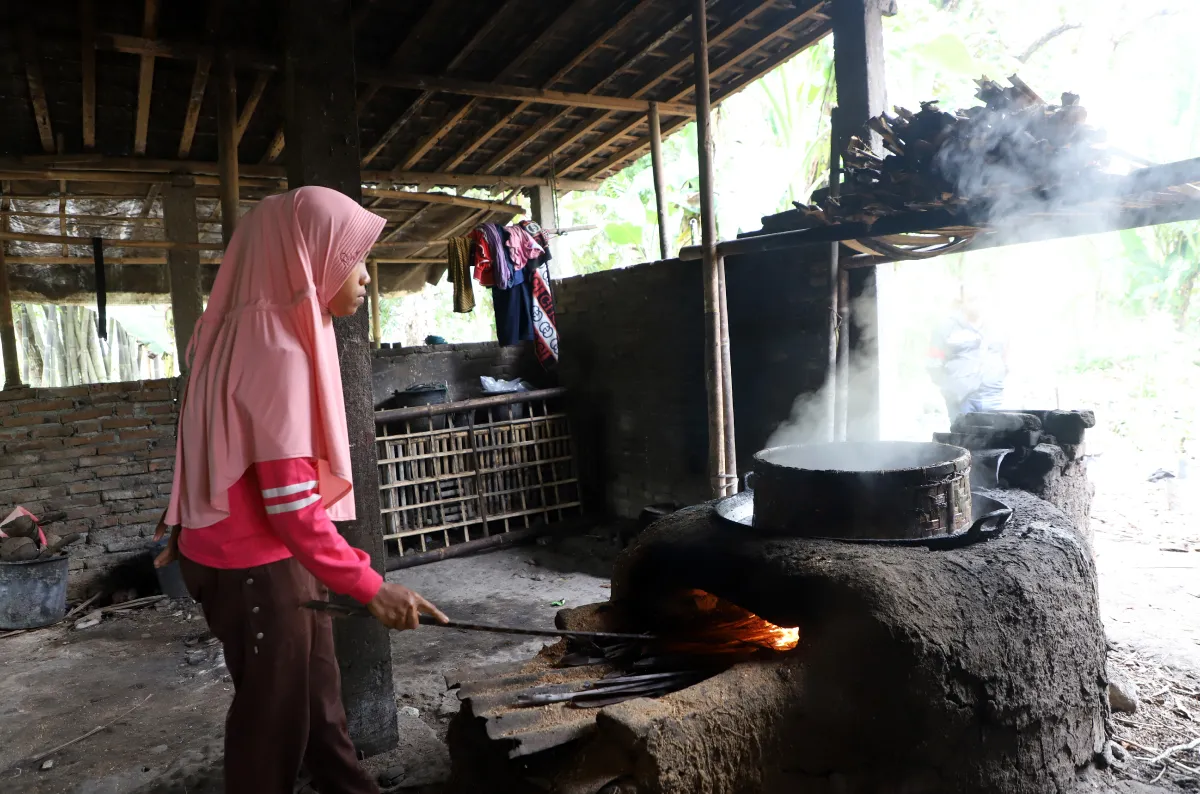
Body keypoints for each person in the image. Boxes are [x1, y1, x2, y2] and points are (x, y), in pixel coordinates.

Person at [153, 186, 448, 794]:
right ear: (306, 258)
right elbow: (289, 503)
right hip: (257, 567)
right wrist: (370, 587)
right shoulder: (276, 344)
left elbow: (217, 450)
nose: (364, 276)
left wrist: (184, 521)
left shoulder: (233, 327)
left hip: (245, 559)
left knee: (316, 706)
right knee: (272, 727)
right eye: (353, 256)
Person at [927, 285, 1008, 420]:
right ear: (962, 301)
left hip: (993, 397)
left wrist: (997, 379)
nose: (978, 303)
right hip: (961, 399)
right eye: (972, 299)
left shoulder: (998, 327)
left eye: (982, 299)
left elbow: (1006, 357)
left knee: (996, 438)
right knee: (963, 438)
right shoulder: (946, 327)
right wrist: (950, 389)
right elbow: (933, 363)